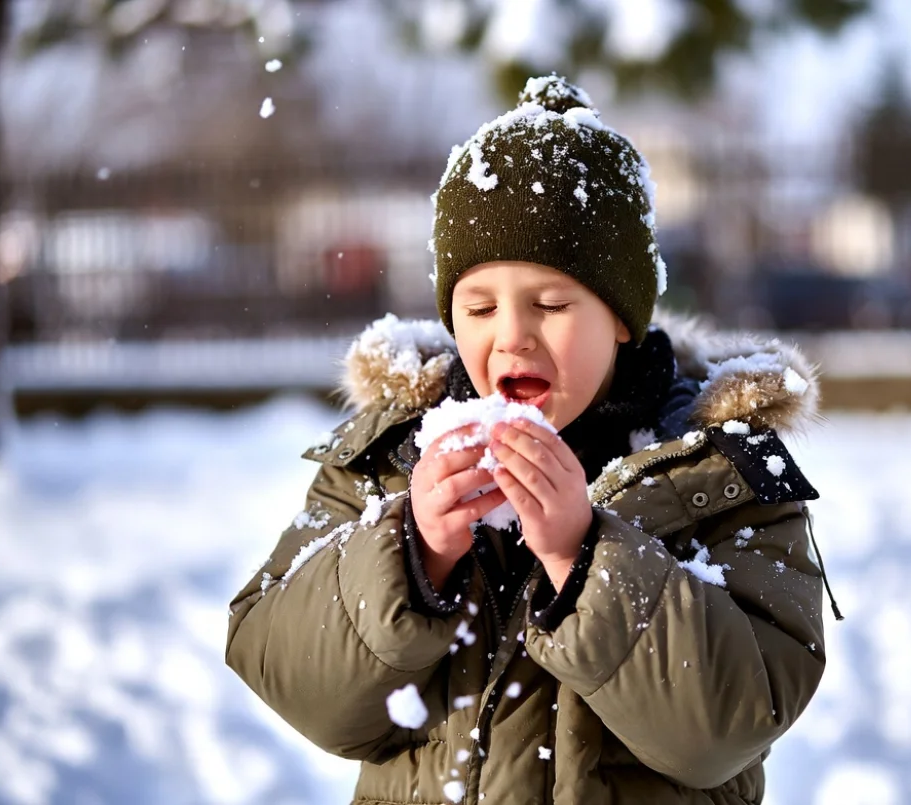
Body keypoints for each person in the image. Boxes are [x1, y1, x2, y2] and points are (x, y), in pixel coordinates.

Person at [226, 74, 838, 805]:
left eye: (550, 303)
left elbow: (728, 722)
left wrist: (584, 558)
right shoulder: (390, 457)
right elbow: (286, 669)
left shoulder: (723, 471)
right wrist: (409, 553)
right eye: (478, 306)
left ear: (620, 316)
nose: (510, 334)